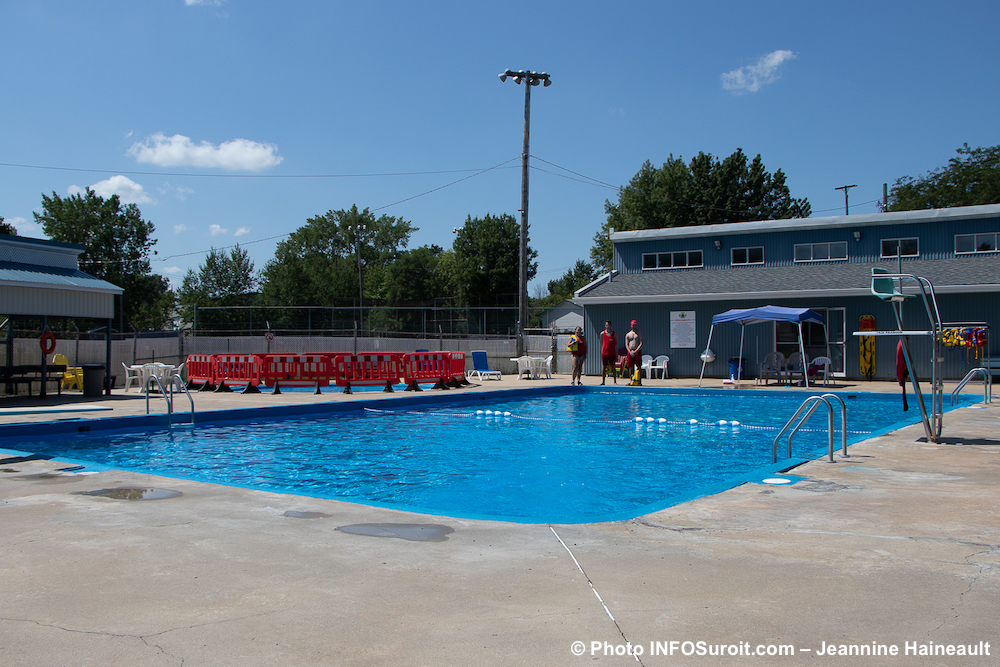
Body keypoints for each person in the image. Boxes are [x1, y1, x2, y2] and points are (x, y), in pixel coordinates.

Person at [599, 320, 617, 385]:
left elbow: (616, 343)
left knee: (613, 366)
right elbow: (602, 342)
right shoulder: (602, 334)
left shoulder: (614, 334)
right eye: (606, 325)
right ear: (605, 326)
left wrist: (611, 348)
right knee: (604, 367)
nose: (608, 326)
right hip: (604, 353)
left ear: (611, 325)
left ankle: (615, 381)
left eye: (609, 325)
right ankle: (603, 381)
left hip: (612, 353)